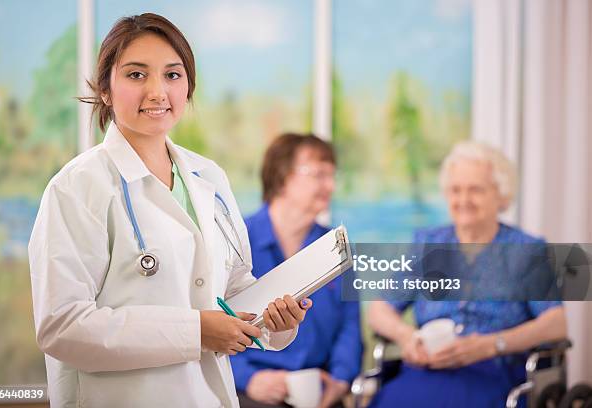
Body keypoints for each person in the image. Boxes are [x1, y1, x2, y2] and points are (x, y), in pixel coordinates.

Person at [28, 14, 312, 408]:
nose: (158, 92)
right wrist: (195, 332)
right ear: (106, 89)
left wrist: (274, 320)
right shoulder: (77, 187)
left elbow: (232, 285)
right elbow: (62, 327)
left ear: (188, 86)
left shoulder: (207, 176)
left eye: (173, 75)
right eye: (136, 75)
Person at [367, 141, 567, 408]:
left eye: (476, 190)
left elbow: (556, 323)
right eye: (455, 190)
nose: (463, 200)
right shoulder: (428, 244)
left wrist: (491, 344)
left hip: (493, 375)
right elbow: (379, 309)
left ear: (502, 195)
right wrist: (406, 336)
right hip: (427, 371)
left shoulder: (526, 251)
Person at [231, 133, 363, 408]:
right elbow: (213, 320)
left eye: (331, 175)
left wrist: (339, 380)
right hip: (250, 390)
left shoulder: (337, 248)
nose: (330, 185)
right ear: (282, 176)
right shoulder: (236, 241)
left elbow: (350, 328)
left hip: (318, 390)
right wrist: (248, 379)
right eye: (318, 174)